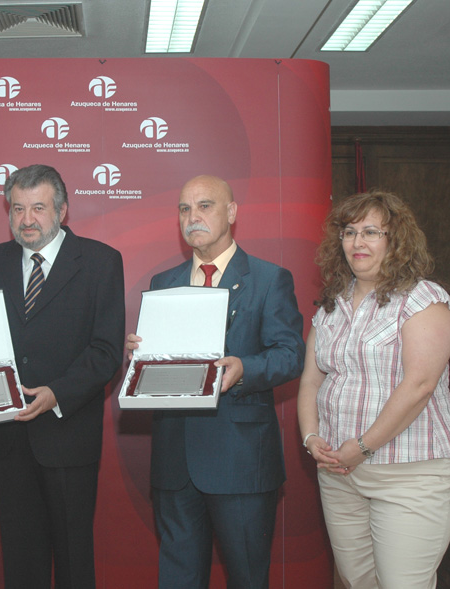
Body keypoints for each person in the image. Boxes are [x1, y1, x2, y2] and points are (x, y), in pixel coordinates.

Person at [0, 164, 125, 588]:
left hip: (67, 438)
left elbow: (106, 352)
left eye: (38, 208)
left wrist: (57, 393)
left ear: (62, 211)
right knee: (21, 563)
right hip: (9, 439)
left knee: (73, 563)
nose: (27, 219)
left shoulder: (101, 261)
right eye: (17, 208)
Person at [126, 175, 304, 588]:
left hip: (240, 461)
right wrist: (141, 355)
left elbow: (291, 354)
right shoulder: (163, 284)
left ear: (232, 212)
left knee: (247, 579)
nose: (193, 217)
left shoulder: (269, 279)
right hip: (174, 463)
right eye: (184, 209)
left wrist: (245, 369)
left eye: (205, 206)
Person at [297, 190, 450, 588]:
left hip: (411, 472)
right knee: (357, 582)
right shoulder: (332, 306)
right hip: (340, 472)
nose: (358, 242)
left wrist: (363, 446)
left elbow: (420, 385)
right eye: (349, 232)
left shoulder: (423, 299)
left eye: (371, 232)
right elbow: (311, 380)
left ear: (397, 240)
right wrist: (311, 437)